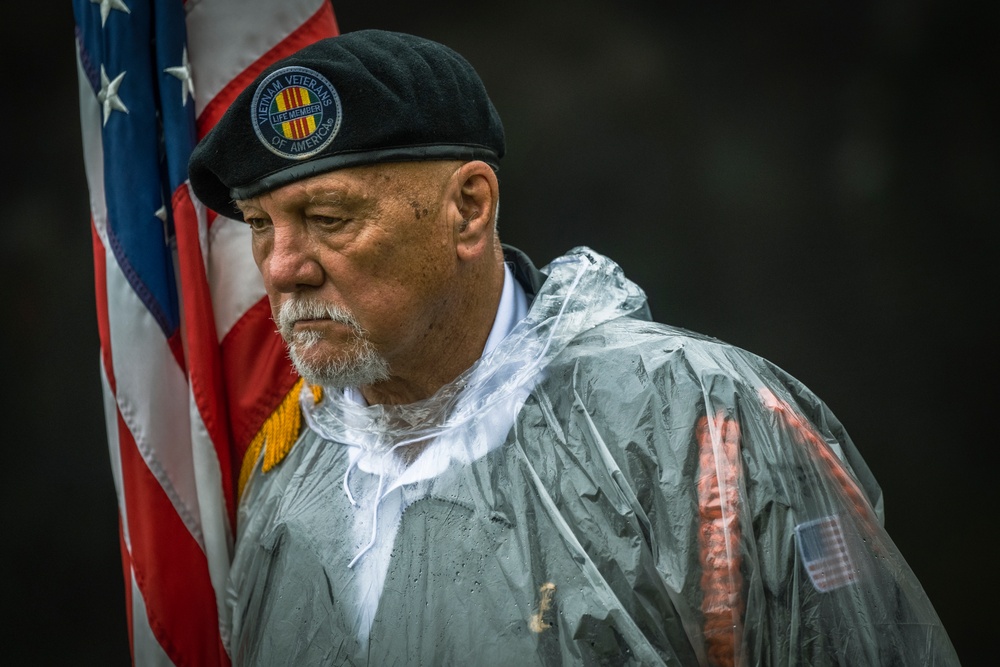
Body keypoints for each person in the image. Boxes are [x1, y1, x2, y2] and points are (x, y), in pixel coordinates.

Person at [188, 29, 959, 667]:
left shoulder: (703, 423)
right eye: (261, 225)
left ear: (468, 208)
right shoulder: (288, 470)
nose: (283, 266)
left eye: (328, 217)